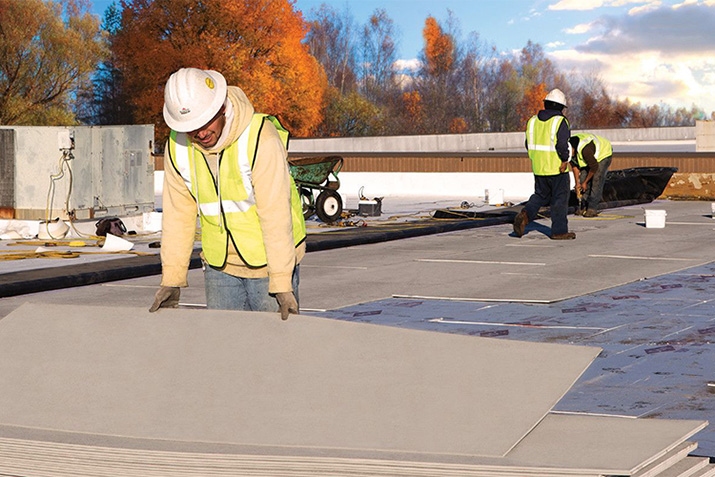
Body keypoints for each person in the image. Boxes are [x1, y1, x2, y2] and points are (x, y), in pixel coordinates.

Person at [150, 68, 306, 320]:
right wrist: (172, 278)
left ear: (222, 107)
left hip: (269, 264)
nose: (199, 134)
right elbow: (177, 216)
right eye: (191, 127)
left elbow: (275, 214)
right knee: (226, 351)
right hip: (219, 266)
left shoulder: (259, 138)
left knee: (275, 352)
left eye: (204, 122)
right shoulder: (178, 147)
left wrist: (281, 281)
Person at [513, 88, 575, 240]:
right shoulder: (560, 121)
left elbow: (528, 143)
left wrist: (538, 159)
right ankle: (559, 231)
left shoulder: (533, 121)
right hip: (556, 168)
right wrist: (564, 160)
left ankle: (526, 215)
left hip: (539, 167)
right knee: (560, 199)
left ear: (546, 104)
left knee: (540, 195)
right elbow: (562, 144)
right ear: (561, 107)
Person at [569, 133, 613, 217]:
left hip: (603, 155)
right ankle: (583, 206)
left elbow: (594, 167)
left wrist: (585, 182)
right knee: (582, 178)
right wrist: (578, 183)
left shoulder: (585, 150)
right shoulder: (568, 151)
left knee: (596, 180)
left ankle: (592, 207)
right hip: (589, 159)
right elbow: (575, 167)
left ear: (573, 149)